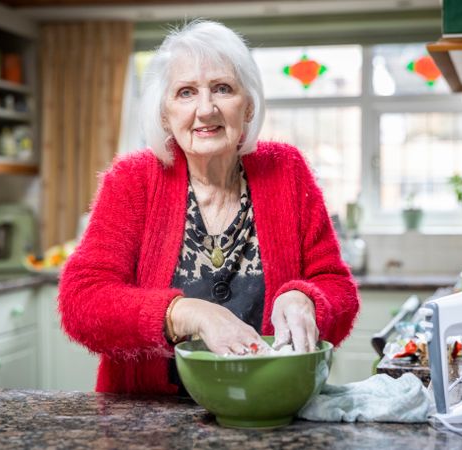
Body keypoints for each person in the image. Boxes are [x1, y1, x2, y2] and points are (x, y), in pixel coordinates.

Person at [58, 20, 360, 395]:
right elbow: (82, 301)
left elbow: (337, 288)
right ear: (164, 114)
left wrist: (307, 299)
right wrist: (185, 314)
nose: (206, 109)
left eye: (223, 88)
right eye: (186, 92)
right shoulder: (133, 180)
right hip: (149, 421)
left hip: (270, 405)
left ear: (248, 107)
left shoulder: (286, 170)